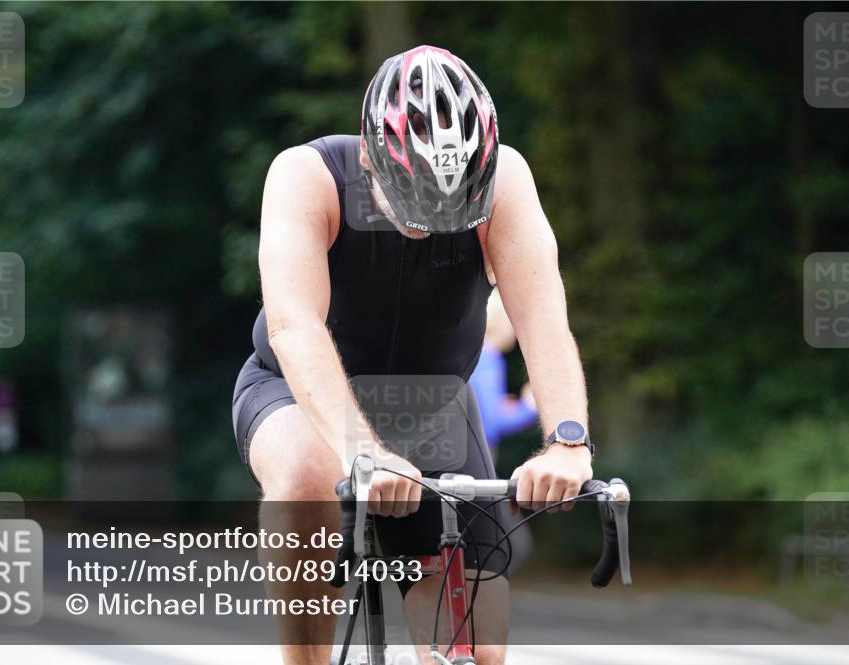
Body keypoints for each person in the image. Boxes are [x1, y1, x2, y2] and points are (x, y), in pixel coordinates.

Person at [232, 45, 594, 665]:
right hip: (297, 391)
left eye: (456, 210)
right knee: (306, 477)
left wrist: (567, 440)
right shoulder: (307, 176)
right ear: (372, 159)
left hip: (433, 403)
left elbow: (543, 322)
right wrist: (362, 450)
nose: (434, 227)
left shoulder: (507, 181)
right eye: (418, 208)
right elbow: (295, 326)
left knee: (476, 650)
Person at [469, 291, 538, 461]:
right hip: (476, 454)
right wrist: (530, 405)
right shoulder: (488, 357)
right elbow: (493, 422)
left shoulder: (472, 354)